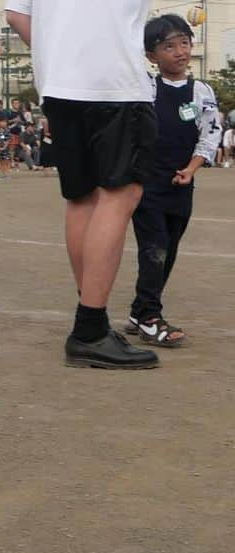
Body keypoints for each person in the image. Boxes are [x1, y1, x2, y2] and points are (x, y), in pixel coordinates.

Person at [5, 0, 160, 370]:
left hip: (59, 85)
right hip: (114, 85)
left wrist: (60, 52)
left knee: (82, 197)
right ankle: (90, 328)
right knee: (121, 194)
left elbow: (15, 14)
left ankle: (93, 318)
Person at [125, 14, 220, 349]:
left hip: (182, 183)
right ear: (152, 56)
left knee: (170, 248)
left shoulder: (201, 91)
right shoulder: (145, 88)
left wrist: (192, 168)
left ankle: (139, 312)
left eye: (184, 43)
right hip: (146, 184)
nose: (179, 51)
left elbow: (210, 134)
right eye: (168, 46)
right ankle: (151, 317)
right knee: (155, 247)